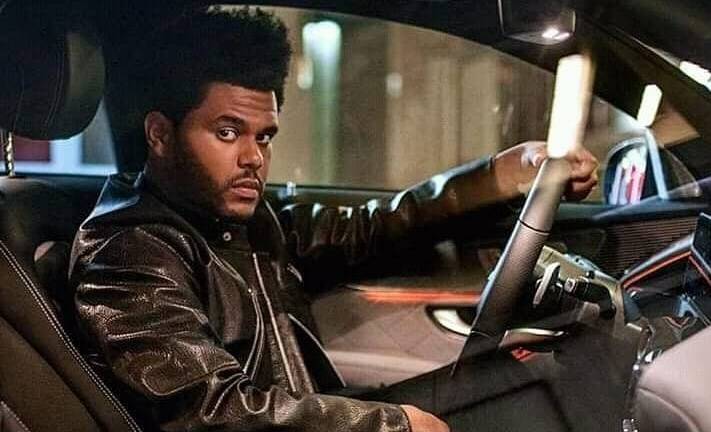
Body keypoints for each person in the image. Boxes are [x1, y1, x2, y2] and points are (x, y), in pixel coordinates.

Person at [69, 7, 598, 432]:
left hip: (312, 412)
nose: (254, 158)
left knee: (529, 382)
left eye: (264, 137)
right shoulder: (128, 253)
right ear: (160, 134)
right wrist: (388, 425)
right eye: (227, 133)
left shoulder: (248, 224)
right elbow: (210, 411)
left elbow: (374, 227)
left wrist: (504, 174)